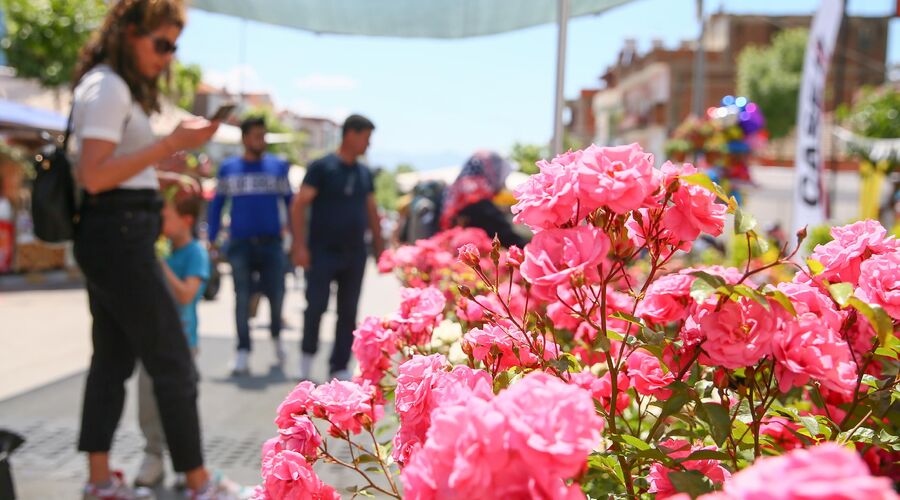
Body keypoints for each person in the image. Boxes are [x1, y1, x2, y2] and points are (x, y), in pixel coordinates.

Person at [70, 1, 239, 498]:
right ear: (128, 32)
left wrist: (156, 172)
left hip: (113, 236)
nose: (167, 57)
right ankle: (197, 481)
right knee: (172, 362)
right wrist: (166, 146)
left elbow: (108, 166)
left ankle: (99, 479)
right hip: (120, 238)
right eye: (160, 44)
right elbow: (95, 174)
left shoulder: (106, 85)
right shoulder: (108, 87)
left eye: (174, 46)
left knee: (113, 362)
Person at [290, 114, 382, 381]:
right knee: (316, 306)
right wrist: (299, 245)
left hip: (354, 254)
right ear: (350, 134)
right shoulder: (322, 167)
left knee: (348, 312)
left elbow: (372, 211)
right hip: (322, 251)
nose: (368, 144)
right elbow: (299, 204)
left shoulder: (364, 173)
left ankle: (339, 365)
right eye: (366, 137)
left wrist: (379, 248)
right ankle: (307, 359)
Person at [134, 175, 209, 490]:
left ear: (186, 220)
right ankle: (154, 454)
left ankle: (185, 460)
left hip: (182, 344)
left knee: (179, 403)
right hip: (153, 339)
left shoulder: (195, 254)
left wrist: (157, 263)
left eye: (165, 216)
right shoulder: (164, 251)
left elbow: (184, 295)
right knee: (148, 404)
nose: (159, 222)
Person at [207, 117, 292, 376]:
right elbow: (216, 204)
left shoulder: (278, 167)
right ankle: (243, 350)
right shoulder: (228, 168)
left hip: (272, 243)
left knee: (276, 294)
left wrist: (295, 237)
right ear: (244, 138)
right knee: (241, 297)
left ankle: (277, 340)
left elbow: (291, 202)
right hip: (240, 243)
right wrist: (212, 237)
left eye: (264, 135)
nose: (262, 141)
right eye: (257, 135)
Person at [439, 150, 528, 248]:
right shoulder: (481, 204)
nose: (503, 183)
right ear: (494, 173)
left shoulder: (454, 194)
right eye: (502, 176)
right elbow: (507, 238)